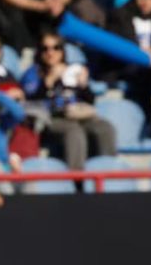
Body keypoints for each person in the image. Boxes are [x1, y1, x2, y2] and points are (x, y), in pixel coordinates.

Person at [21, 33, 117, 170]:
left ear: (62, 51)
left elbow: (90, 101)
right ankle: (77, 182)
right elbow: (31, 100)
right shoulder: (33, 73)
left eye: (56, 48)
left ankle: (109, 176)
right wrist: (50, 80)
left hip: (77, 114)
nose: (50, 52)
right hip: (50, 118)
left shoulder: (72, 70)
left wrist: (84, 85)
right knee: (74, 132)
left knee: (105, 127)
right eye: (45, 48)